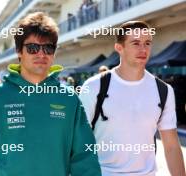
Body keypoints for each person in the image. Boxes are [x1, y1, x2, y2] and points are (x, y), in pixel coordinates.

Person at [0, 12, 101, 176]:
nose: (41, 54)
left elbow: (84, 158)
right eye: (33, 48)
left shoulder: (69, 99)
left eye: (48, 48)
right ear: (19, 51)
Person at [79, 21, 186, 176]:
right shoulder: (94, 86)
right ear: (119, 48)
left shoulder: (163, 90)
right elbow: (76, 142)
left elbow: (171, 146)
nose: (143, 49)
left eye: (147, 43)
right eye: (136, 43)